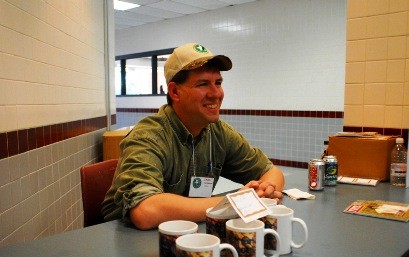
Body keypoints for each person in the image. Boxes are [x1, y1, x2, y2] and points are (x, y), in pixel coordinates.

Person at [102, 43, 285, 230]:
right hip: (124, 241)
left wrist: (266, 190)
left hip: (189, 234)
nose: (216, 94)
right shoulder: (148, 136)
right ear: (175, 92)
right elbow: (146, 211)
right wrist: (234, 203)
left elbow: (271, 171)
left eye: (218, 83)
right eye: (203, 84)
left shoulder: (219, 133)